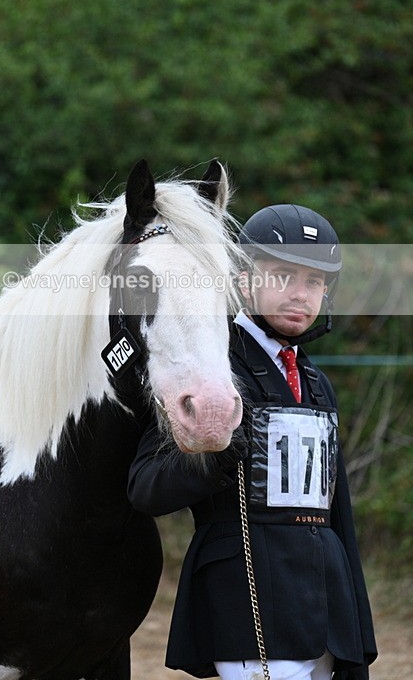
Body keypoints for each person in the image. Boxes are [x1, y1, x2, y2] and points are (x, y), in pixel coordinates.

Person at [128, 204, 377, 680]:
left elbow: (338, 515)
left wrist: (356, 635)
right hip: (248, 605)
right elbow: (144, 488)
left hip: (326, 610)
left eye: (313, 282)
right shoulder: (212, 371)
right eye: (283, 276)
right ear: (244, 280)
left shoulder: (317, 382)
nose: (299, 295)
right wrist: (214, 456)